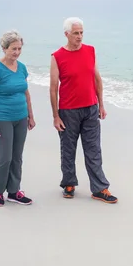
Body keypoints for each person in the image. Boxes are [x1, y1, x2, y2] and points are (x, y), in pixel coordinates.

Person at [49, 17, 118, 203]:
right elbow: (53, 87)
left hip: (90, 108)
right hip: (68, 111)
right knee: (68, 149)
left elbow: (97, 79)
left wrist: (101, 104)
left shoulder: (90, 51)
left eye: (81, 33)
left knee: (94, 150)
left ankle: (100, 188)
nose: (79, 36)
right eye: (76, 33)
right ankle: (69, 183)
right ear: (67, 34)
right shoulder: (57, 56)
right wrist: (56, 116)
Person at [0, 30, 36, 207]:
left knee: (17, 157)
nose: (16, 52)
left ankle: (14, 191)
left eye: (19, 48)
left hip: (21, 117)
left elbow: (26, 92)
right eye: (13, 49)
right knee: (5, 157)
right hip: (3, 119)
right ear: (4, 48)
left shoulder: (21, 67)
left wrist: (30, 115)